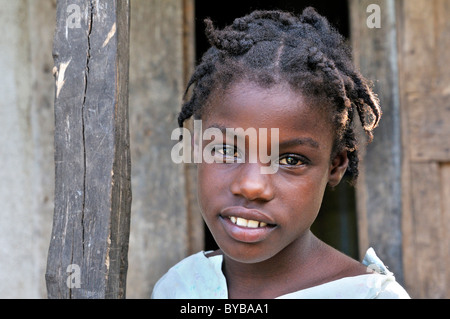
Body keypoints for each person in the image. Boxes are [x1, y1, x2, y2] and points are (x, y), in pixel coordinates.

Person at [152, 7, 410, 299]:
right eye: (225, 150)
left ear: (334, 167)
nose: (252, 186)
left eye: (291, 160)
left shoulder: (368, 296)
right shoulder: (180, 287)